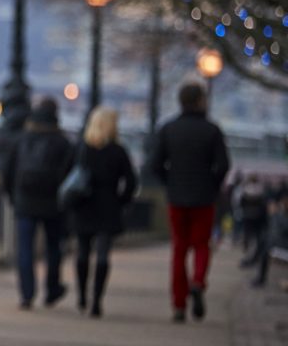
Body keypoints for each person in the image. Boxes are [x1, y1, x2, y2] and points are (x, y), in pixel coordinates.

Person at [150, 81, 230, 323]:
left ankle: (178, 303)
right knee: (202, 246)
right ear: (200, 101)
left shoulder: (168, 129)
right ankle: (198, 281)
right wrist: (212, 185)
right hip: (203, 198)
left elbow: (155, 164)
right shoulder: (212, 130)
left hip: (177, 196)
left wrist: (170, 182)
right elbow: (223, 165)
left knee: (179, 249)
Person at [2, 97, 74, 310]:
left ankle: (27, 294)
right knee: (54, 248)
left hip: (25, 202)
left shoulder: (22, 139)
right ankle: (52, 290)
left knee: (25, 249)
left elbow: (8, 172)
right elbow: (70, 177)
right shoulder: (62, 142)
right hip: (53, 205)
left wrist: (14, 198)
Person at [69, 107, 137, 318]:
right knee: (103, 254)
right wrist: (121, 200)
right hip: (108, 206)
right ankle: (97, 300)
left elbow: (68, 175)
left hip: (84, 205)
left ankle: (81, 295)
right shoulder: (118, 151)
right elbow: (132, 181)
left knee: (82, 251)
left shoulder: (82, 148)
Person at [235, 172, 269, 268]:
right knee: (256, 240)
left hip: (248, 217)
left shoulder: (245, 190)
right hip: (257, 219)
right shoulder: (261, 190)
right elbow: (264, 206)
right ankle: (253, 258)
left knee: (248, 239)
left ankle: (248, 258)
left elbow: (241, 203)